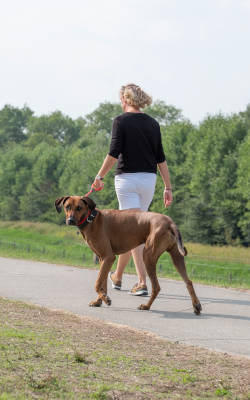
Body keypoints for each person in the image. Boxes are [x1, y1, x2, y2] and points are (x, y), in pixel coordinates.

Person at [91, 83, 173, 296]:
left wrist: (100, 176)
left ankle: (142, 282)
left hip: (127, 180)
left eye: (120, 99)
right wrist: (168, 187)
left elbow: (113, 153)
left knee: (134, 230)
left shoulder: (120, 121)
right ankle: (117, 276)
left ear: (125, 100)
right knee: (130, 230)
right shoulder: (153, 123)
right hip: (148, 181)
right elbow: (160, 158)